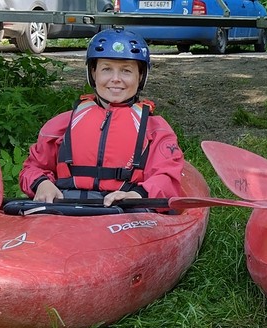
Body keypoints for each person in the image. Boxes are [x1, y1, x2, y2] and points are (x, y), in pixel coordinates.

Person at [19, 28, 186, 206]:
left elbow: (167, 176)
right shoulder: (61, 125)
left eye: (126, 71)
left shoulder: (155, 130)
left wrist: (138, 196)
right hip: (65, 207)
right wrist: (42, 184)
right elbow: (33, 167)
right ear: (93, 73)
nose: (115, 79)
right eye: (106, 69)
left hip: (125, 209)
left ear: (141, 76)